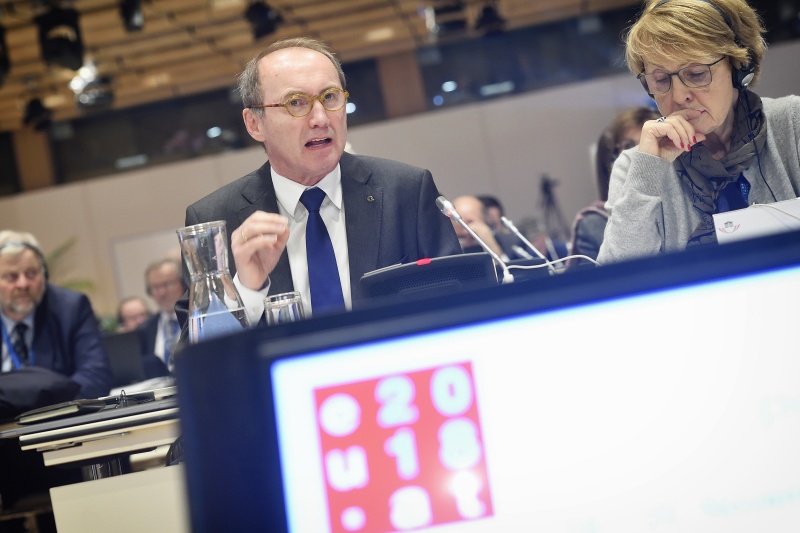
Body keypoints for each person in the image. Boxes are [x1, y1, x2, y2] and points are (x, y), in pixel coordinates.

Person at [179, 37, 460, 326]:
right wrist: (246, 291)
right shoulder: (215, 220)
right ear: (254, 123)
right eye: (296, 102)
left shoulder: (406, 191)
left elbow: (460, 305)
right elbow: (195, 348)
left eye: (330, 97)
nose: (320, 118)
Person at [598, 0, 800, 264]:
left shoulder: (793, 123)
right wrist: (647, 174)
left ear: (740, 67)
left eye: (696, 73)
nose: (678, 96)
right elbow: (617, 278)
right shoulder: (634, 166)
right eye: (661, 80)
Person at [0, 230, 111, 516]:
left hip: (62, 444)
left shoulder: (70, 307)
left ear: (44, 275)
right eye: (11, 276)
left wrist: (39, 409)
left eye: (31, 273)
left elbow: (96, 376)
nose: (23, 284)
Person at [567, 106, 661, 268]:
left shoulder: (688, 200)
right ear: (613, 161)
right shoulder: (593, 224)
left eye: (651, 143)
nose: (641, 156)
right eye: (630, 147)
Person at [139, 258, 184, 373]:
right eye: (155, 287)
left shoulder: (199, 319)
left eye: (168, 284)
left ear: (183, 283)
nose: (162, 293)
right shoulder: (144, 329)